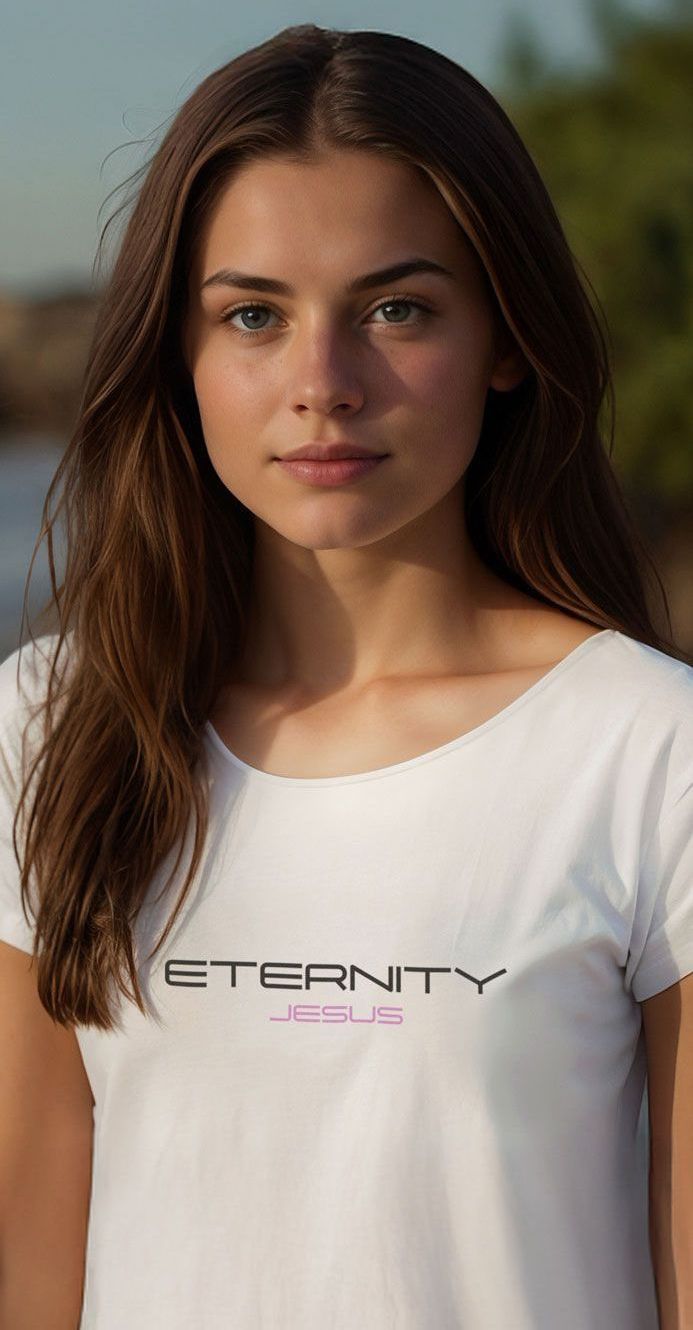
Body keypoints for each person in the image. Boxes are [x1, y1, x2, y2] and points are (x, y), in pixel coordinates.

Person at [0, 22, 691, 1330]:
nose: (320, 384)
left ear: (503, 338)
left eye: (395, 309)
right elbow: (23, 1271)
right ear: (179, 352)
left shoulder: (651, 753)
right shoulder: (52, 723)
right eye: (251, 314)